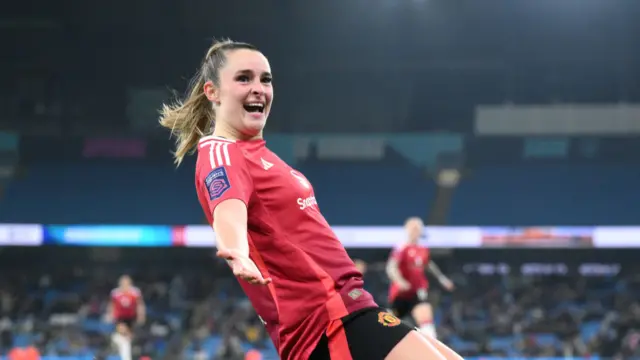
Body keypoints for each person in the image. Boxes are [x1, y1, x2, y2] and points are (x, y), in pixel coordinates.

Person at [159, 38, 463, 360]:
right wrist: (237, 250)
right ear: (213, 92)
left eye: (266, 79)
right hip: (325, 323)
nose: (259, 87)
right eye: (244, 78)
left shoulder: (261, 155)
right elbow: (228, 209)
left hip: (349, 308)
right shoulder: (221, 153)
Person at [386, 217, 455, 338]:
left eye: (418, 228)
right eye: (413, 228)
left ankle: (430, 351)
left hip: (418, 291)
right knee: (390, 326)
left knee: (426, 322)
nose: (415, 231)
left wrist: (442, 279)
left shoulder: (423, 249)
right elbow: (391, 267)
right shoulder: (401, 248)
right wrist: (399, 281)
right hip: (400, 294)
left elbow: (429, 265)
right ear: (407, 230)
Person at [106, 275, 145, 360]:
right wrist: (110, 314)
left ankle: (119, 345)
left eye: (126, 283)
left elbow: (139, 304)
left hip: (131, 317)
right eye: (123, 283)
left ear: (130, 284)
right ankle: (122, 352)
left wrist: (141, 315)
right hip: (120, 317)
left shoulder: (135, 292)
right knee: (123, 334)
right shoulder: (115, 293)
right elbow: (111, 305)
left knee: (127, 339)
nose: (124, 285)